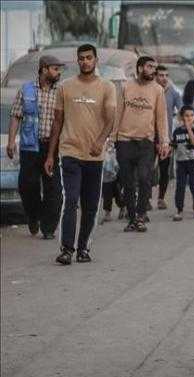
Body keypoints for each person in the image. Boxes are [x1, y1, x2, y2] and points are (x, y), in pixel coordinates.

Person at [44, 44, 117, 264]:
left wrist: (99, 141)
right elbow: (57, 122)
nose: (85, 61)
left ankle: (83, 247)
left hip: (94, 155)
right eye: (81, 58)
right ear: (77, 61)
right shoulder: (65, 87)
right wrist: (50, 155)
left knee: (90, 204)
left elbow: (110, 118)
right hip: (70, 151)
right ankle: (67, 248)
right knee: (71, 199)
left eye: (88, 58)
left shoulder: (107, 87)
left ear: (96, 60)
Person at [7, 54, 65, 239]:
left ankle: (48, 228)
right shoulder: (26, 90)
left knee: (53, 190)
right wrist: (11, 141)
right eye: (55, 69)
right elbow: (16, 116)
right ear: (44, 69)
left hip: (52, 147)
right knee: (26, 186)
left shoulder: (61, 92)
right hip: (29, 147)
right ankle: (34, 216)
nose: (58, 72)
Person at [115, 55, 169, 232]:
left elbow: (161, 118)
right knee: (128, 182)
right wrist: (111, 138)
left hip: (146, 142)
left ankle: (140, 215)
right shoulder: (125, 87)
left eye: (154, 67)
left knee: (145, 179)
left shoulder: (157, 90)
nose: (153, 70)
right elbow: (117, 114)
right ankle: (132, 218)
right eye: (149, 67)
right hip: (124, 141)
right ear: (139, 68)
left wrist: (164, 141)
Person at [154, 65, 182, 210]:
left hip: (166, 137)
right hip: (149, 137)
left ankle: (161, 198)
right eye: (160, 75)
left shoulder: (172, 92)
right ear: (155, 76)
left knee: (164, 170)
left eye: (166, 75)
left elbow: (182, 109)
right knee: (147, 170)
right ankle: (145, 198)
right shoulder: (150, 91)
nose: (164, 78)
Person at [171, 106, 194, 221]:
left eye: (191, 115)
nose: (189, 118)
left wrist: (189, 128)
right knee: (180, 186)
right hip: (180, 163)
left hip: (193, 161)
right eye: (186, 115)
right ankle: (179, 209)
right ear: (181, 117)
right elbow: (173, 146)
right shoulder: (177, 131)